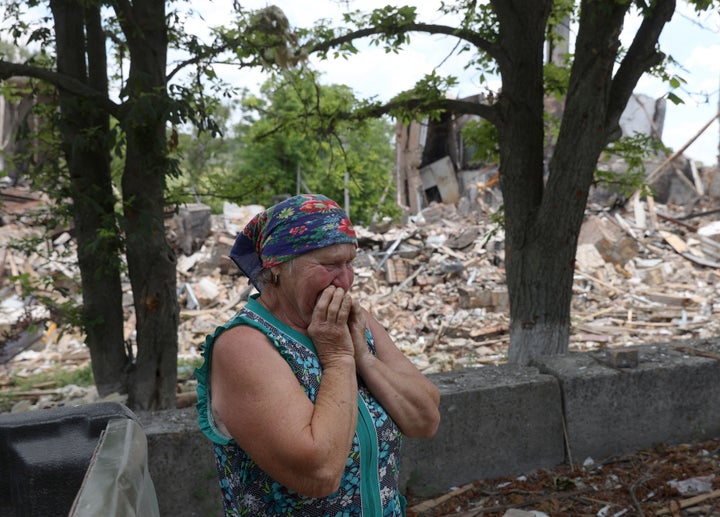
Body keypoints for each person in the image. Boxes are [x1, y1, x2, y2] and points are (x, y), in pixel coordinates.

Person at [195, 193, 440, 516]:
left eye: (349, 263)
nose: (346, 280)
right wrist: (339, 359)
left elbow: (425, 420)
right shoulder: (244, 346)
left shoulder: (355, 324)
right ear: (278, 266)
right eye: (329, 265)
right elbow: (319, 473)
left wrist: (364, 359)